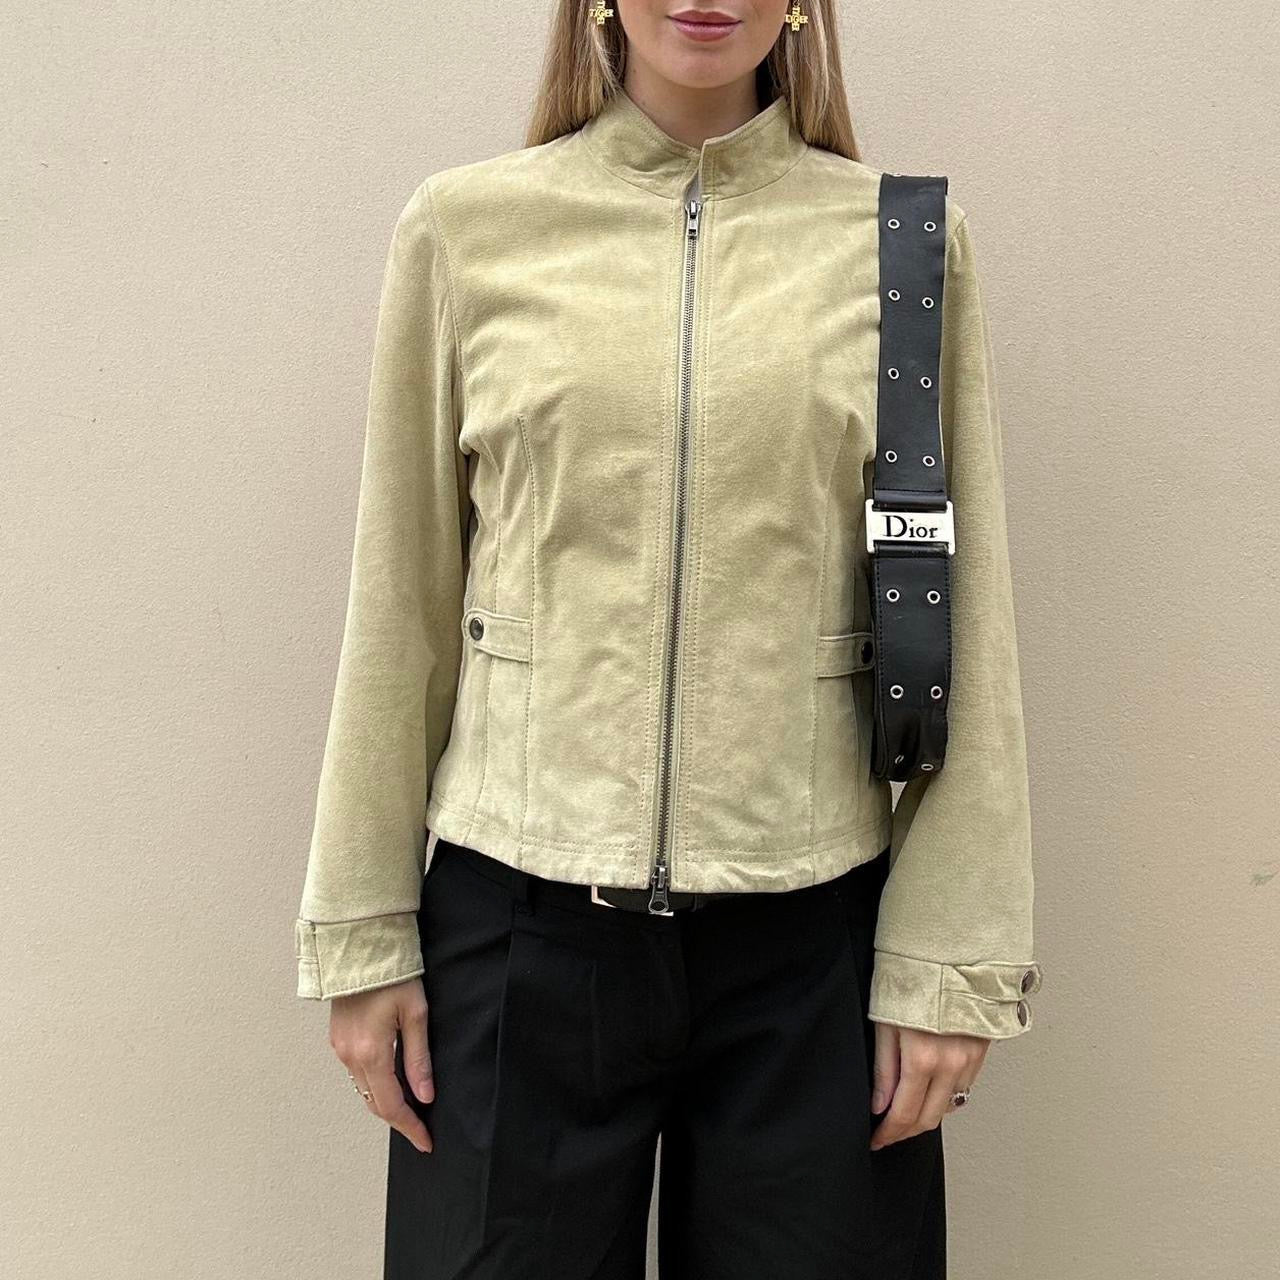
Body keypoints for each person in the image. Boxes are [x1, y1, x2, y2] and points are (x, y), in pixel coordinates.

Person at [293, 2, 1043, 1276]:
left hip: (806, 947)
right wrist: (361, 931)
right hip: (518, 931)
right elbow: (399, 602)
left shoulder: (900, 243)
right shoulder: (467, 229)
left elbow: (962, 617)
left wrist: (947, 959)